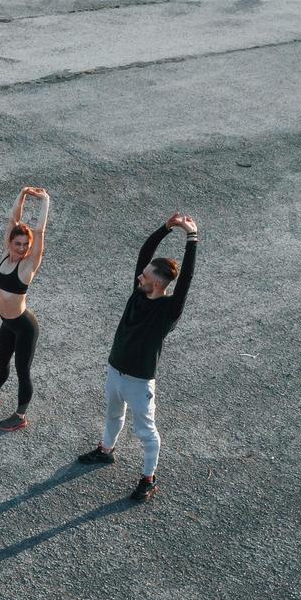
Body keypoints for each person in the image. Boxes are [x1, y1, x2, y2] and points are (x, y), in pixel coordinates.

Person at [78, 212, 199, 501]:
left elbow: (186, 281)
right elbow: (145, 252)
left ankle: (148, 478)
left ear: (157, 284)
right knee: (112, 413)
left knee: (146, 432)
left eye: (144, 276)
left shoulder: (168, 310)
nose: (138, 276)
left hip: (139, 381)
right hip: (115, 369)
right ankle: (106, 450)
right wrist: (166, 228)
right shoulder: (138, 293)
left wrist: (192, 238)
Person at [0, 186, 51, 431]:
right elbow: (13, 219)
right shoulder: (5, 255)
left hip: (24, 327)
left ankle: (20, 415)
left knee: (22, 370)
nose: (22, 248)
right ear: (10, 242)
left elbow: (40, 230)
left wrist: (45, 200)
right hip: (8, 322)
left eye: (26, 244)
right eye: (18, 243)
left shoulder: (28, 266)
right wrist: (23, 194)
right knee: (1, 360)